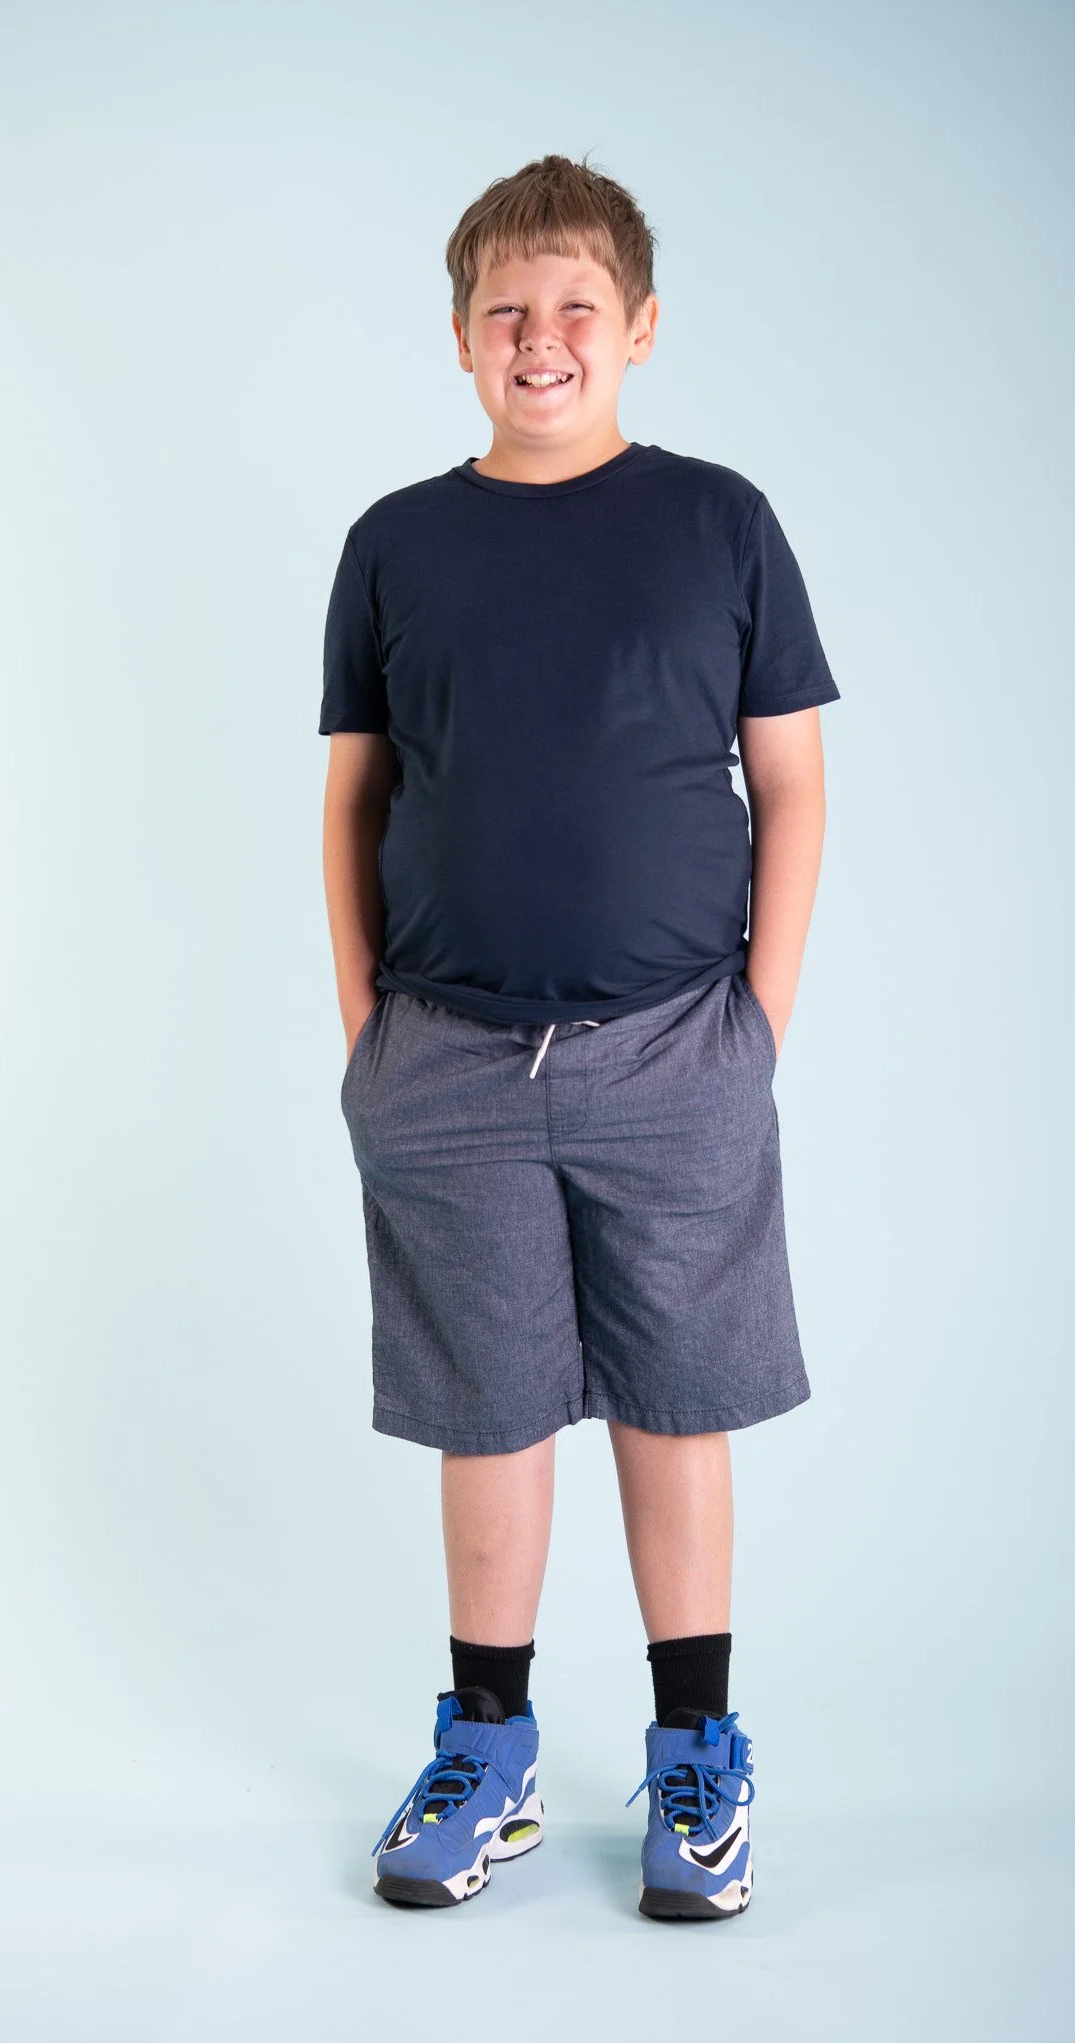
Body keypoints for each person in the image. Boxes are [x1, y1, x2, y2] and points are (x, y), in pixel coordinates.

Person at [319, 152, 839, 1920]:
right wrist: (367, 1034)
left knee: (675, 1407)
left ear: (639, 329)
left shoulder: (718, 524)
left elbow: (789, 781)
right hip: (448, 1059)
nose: (541, 341)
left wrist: (753, 1029)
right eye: (506, 312)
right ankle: (490, 1750)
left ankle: (696, 1747)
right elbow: (353, 802)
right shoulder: (396, 542)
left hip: (675, 1052)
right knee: (492, 1409)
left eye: (576, 311)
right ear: (461, 335)